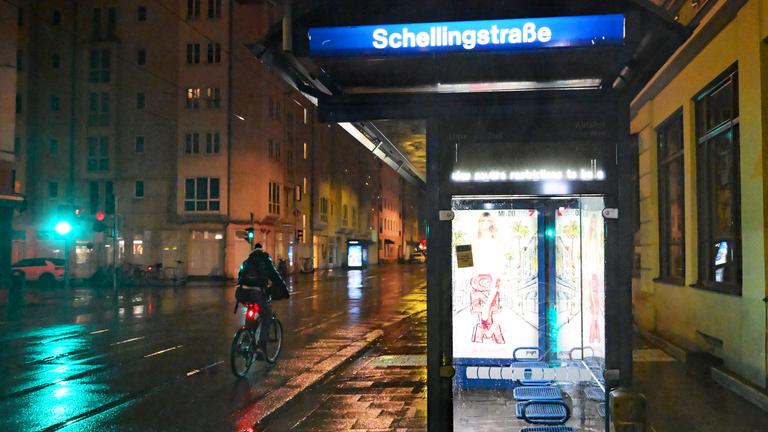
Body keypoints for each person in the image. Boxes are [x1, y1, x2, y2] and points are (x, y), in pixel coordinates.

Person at [237, 243, 287, 357]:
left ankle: (245, 339)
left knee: (251, 312)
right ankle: (261, 347)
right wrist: (284, 290)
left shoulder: (246, 262)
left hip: (242, 293)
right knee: (267, 316)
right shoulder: (265, 260)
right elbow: (275, 276)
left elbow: (239, 276)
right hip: (256, 293)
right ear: (262, 251)